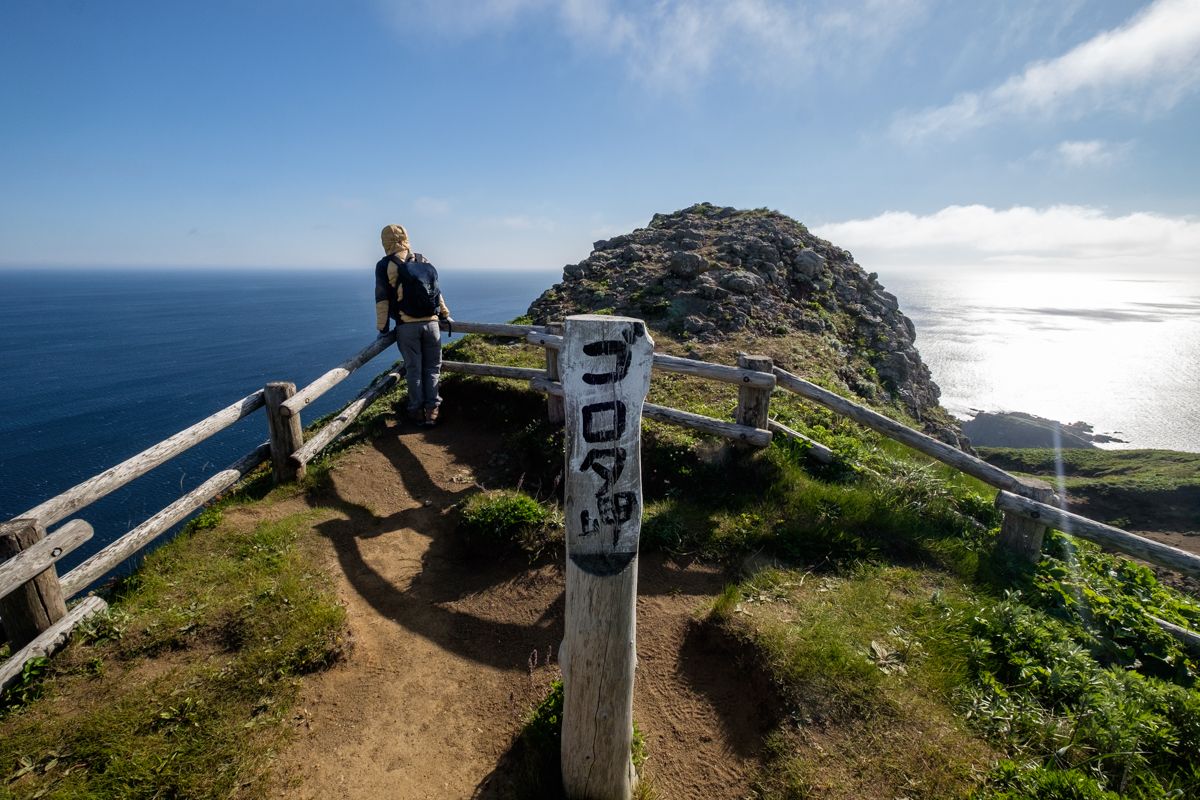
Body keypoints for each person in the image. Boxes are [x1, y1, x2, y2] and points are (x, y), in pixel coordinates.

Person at [375, 224, 452, 426]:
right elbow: (436, 291)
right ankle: (432, 410)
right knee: (433, 368)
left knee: (414, 369)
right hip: (432, 324)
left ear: (384, 241)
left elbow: (382, 299)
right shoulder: (421, 259)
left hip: (406, 326)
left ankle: (416, 411)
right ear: (406, 237)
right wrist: (444, 314)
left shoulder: (385, 265)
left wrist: (382, 329)